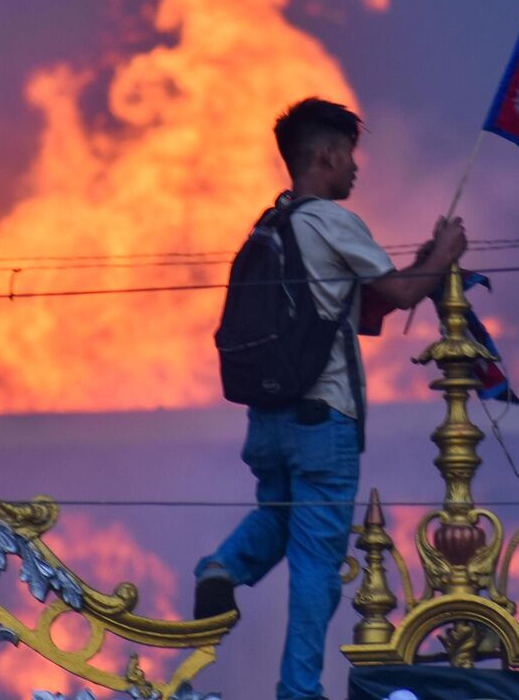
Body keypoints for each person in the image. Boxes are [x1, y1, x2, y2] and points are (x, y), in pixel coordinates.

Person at [194, 98, 467, 700]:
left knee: (277, 517)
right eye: (349, 156)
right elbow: (396, 294)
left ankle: (220, 568)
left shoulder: (274, 224)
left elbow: (361, 305)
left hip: (267, 419)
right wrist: (445, 257)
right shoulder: (333, 221)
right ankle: (299, 693)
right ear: (325, 155)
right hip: (324, 419)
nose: (355, 169)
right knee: (316, 563)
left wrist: (422, 262)